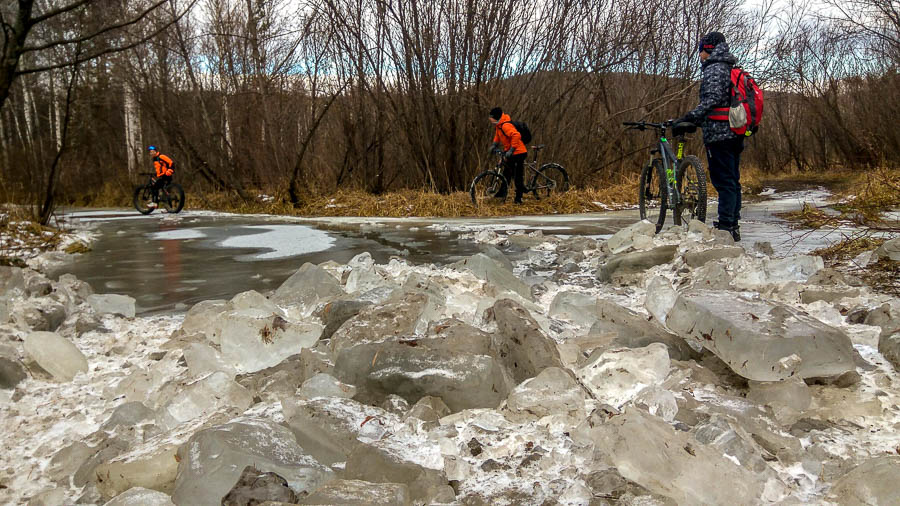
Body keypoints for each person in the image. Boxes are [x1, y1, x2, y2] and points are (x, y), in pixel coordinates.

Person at [676, 31, 744, 241]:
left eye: (701, 50)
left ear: (708, 49)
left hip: (720, 133)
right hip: (734, 132)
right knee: (732, 179)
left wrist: (691, 117)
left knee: (724, 181)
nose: (699, 55)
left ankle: (726, 227)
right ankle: (732, 224)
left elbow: (713, 98)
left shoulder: (715, 68)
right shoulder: (729, 65)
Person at [488, 107, 528, 204]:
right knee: (507, 173)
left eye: (491, 117)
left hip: (519, 152)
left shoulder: (505, 125)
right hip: (510, 151)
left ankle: (519, 198)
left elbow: (516, 135)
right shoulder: (499, 126)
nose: (490, 119)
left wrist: (512, 149)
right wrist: (494, 145)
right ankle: (502, 193)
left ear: (496, 117)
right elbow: (497, 136)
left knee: (518, 175)